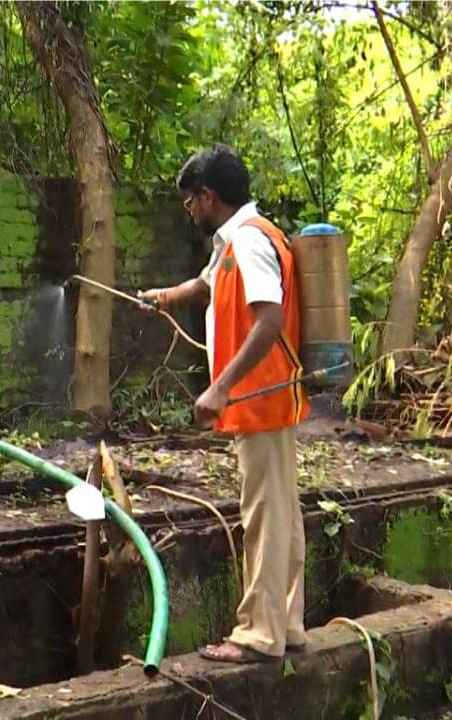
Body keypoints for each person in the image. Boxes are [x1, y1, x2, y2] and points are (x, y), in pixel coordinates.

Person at [139, 145, 309, 664]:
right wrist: (166, 297)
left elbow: (269, 322)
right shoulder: (236, 240)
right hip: (267, 400)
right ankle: (287, 624)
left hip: (260, 399)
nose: (189, 211)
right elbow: (208, 282)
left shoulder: (250, 243)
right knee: (280, 512)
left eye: (190, 201)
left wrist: (220, 389)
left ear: (209, 196)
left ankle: (260, 634)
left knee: (263, 514)